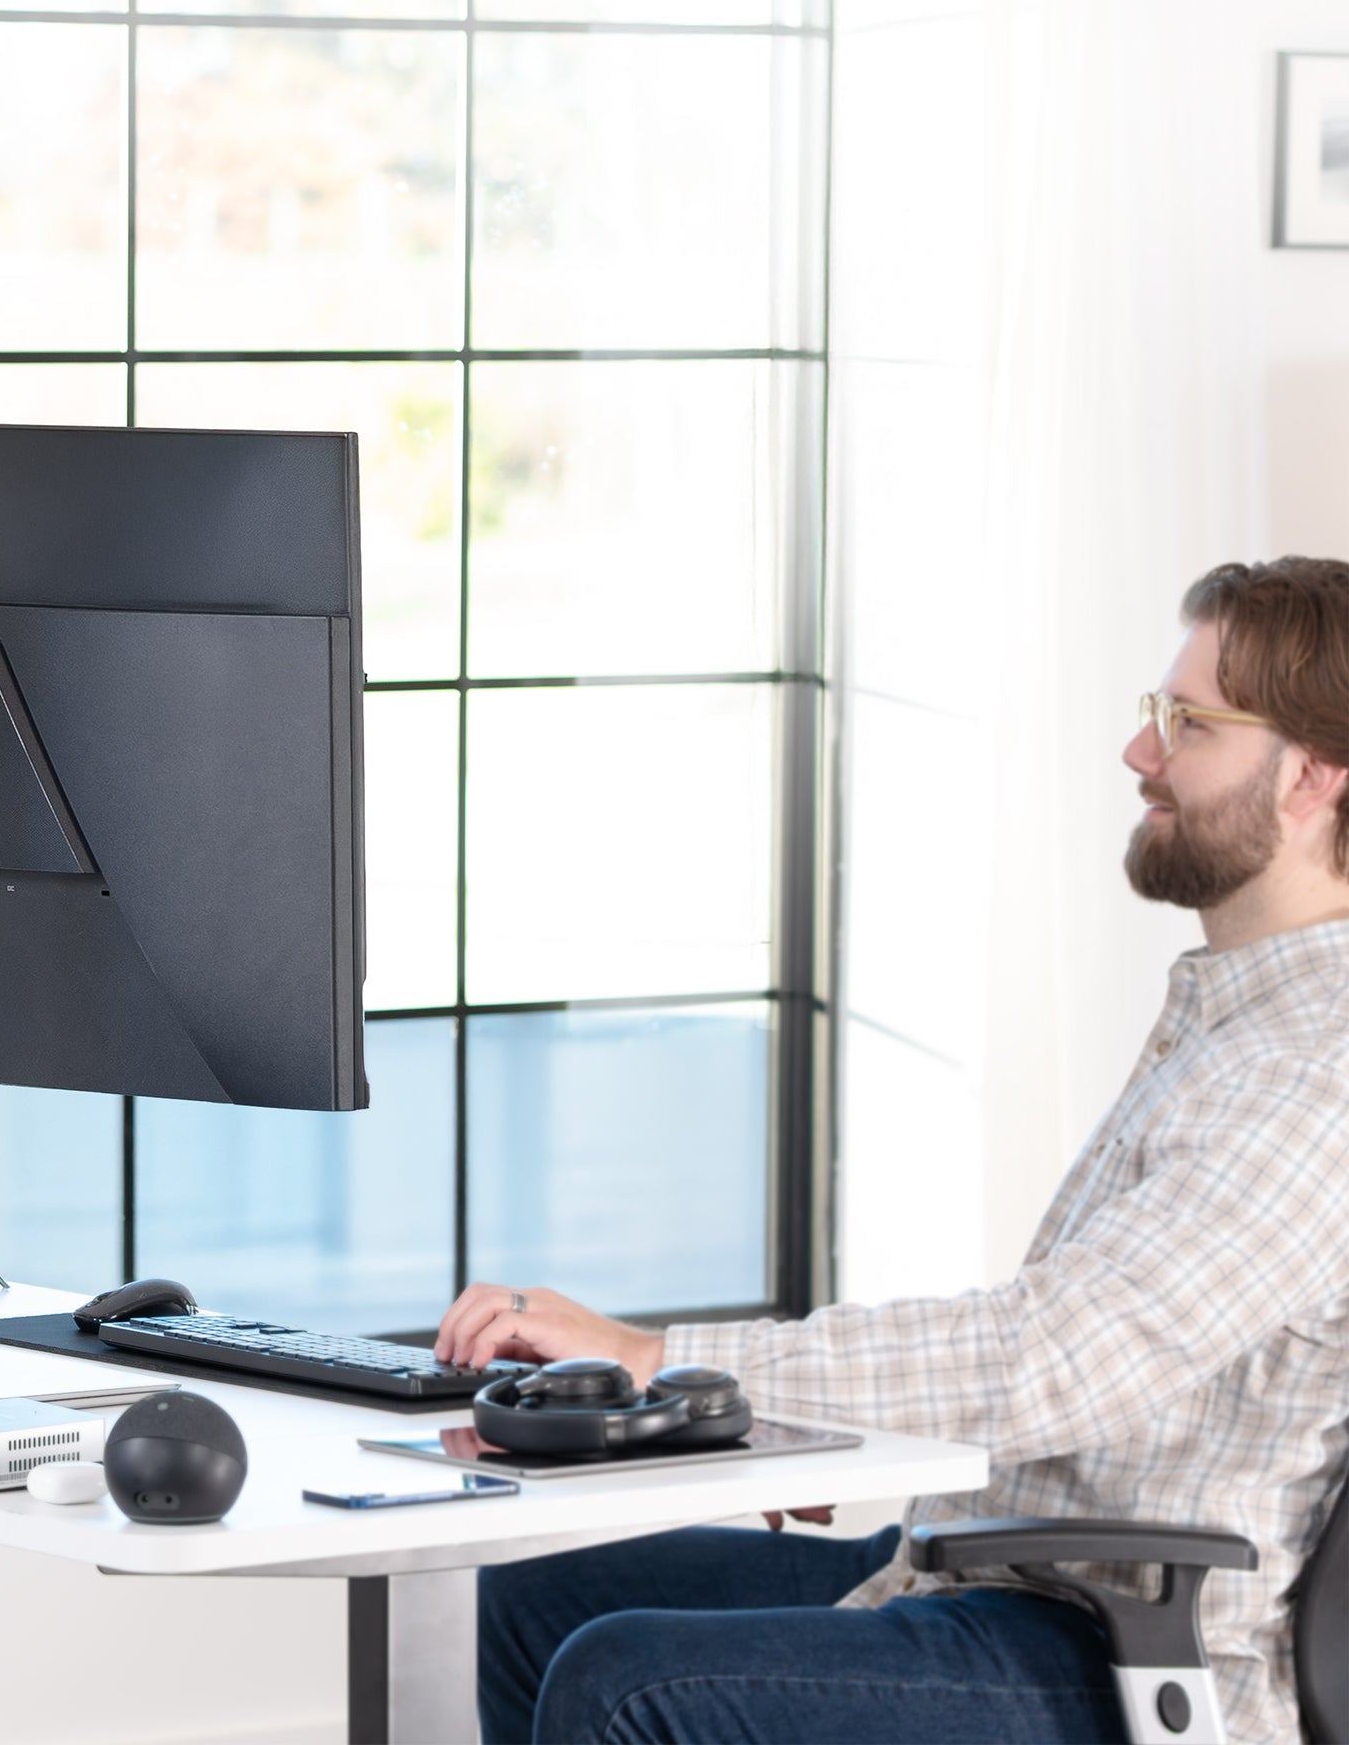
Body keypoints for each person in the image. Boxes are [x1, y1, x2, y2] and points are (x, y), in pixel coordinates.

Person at [438, 556, 1349, 1744]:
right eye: (1151, 714)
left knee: (631, 1681)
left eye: (1187, 722)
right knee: (533, 1598)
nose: (1140, 754)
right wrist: (792, 1428)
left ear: (1314, 777)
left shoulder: (1308, 1079)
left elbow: (1047, 1358)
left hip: (1123, 1652)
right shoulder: (1240, 1023)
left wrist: (662, 1360)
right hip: (1006, 1571)